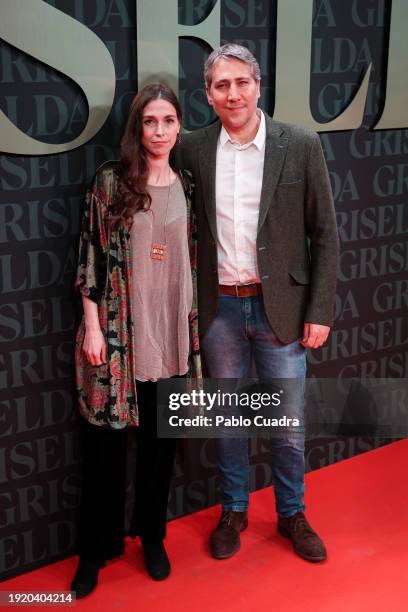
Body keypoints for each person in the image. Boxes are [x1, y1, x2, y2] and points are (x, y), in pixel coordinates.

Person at [177, 44, 339, 562]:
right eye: (221, 85)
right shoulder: (192, 148)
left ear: (258, 85)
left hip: (282, 310)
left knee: (286, 425)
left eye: (241, 82)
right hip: (219, 308)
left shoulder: (300, 143)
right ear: (208, 94)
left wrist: (320, 309)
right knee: (226, 421)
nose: (233, 94)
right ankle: (234, 510)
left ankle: (292, 513)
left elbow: (326, 234)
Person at [71, 83, 201, 598]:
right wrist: (93, 325)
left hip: (171, 334)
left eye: (169, 120)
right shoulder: (111, 182)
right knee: (104, 452)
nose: (161, 130)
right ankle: (94, 551)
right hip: (121, 335)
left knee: (159, 449)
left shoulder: (188, 183)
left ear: (179, 126)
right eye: (151, 121)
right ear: (137, 127)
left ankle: (152, 534)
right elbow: (90, 255)